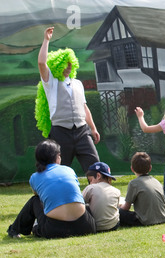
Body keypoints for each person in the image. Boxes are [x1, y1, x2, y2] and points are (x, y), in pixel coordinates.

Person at [36, 27, 100, 173]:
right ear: (58, 64)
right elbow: (41, 63)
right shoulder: (50, 82)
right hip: (60, 132)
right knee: (58, 171)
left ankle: (98, 194)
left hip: (82, 131)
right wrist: (46, 40)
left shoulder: (77, 83)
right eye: (66, 63)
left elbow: (84, 107)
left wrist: (93, 128)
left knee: (95, 168)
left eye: (71, 62)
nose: (69, 65)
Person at [7, 139, 96, 239]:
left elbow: (37, 196)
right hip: (85, 227)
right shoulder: (69, 170)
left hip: (54, 230)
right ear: (57, 156)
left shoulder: (35, 177)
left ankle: (14, 230)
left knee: (34, 200)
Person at [119, 152, 165, 226]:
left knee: (119, 213)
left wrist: (119, 207)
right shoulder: (156, 181)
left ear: (132, 169)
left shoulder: (134, 183)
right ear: (150, 168)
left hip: (146, 220)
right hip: (163, 217)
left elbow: (126, 207)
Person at [82, 162, 120, 232]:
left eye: (90, 180)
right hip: (114, 225)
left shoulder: (91, 188)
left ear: (98, 176)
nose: (90, 183)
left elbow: (79, 203)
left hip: (95, 226)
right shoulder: (116, 191)